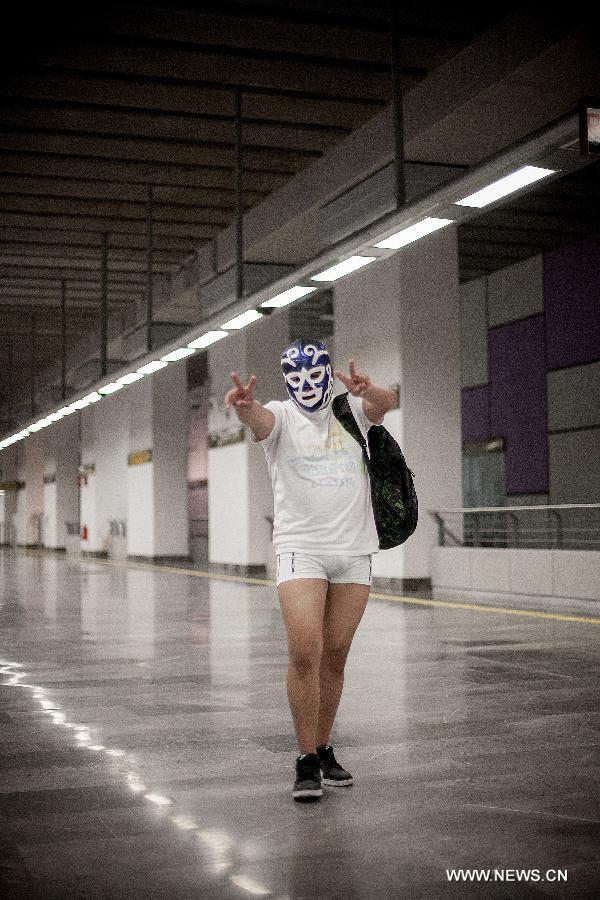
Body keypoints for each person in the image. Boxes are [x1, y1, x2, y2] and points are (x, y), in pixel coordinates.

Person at [224, 338, 396, 801]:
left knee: (336, 653)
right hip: (302, 549)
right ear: (285, 381)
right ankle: (304, 760)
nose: (306, 384)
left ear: (328, 371)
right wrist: (244, 407)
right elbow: (257, 420)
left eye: (314, 373)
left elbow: (388, 403)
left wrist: (370, 390)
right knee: (306, 649)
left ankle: (322, 747)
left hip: (354, 551)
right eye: (295, 377)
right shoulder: (280, 416)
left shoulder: (351, 411)